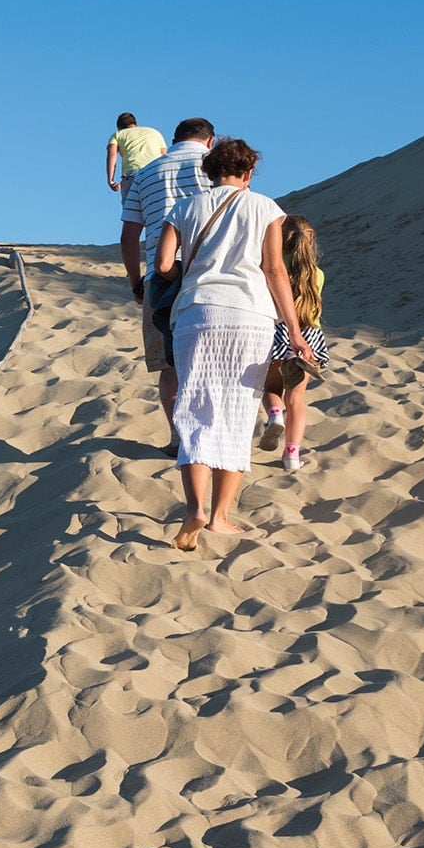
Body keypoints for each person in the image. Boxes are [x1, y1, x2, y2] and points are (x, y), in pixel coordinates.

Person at [154, 138, 313, 551]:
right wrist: (295, 332)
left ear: (210, 172)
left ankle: (195, 509)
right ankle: (220, 517)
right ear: (248, 173)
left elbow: (162, 265)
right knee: (238, 415)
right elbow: (275, 269)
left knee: (195, 409)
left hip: (196, 315)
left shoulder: (185, 208)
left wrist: (190, 277)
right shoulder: (265, 208)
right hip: (250, 317)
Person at [120, 117, 216, 453]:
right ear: (211, 141)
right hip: (207, 272)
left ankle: (179, 438)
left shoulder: (145, 174)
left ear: (173, 140)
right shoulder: (216, 170)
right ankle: (209, 435)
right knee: (209, 360)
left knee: (169, 363)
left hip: (159, 277)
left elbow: (129, 235)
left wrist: (136, 282)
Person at [259, 215, 331, 471]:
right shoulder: (317, 274)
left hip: (277, 332)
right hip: (309, 337)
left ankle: (274, 415)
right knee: (297, 399)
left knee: (270, 388)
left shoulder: (271, 269)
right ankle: (291, 453)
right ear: (311, 242)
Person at [106, 113, 167, 210]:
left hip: (133, 174)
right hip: (156, 173)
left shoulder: (118, 135)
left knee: (131, 215)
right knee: (157, 212)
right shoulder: (154, 132)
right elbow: (165, 155)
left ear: (119, 127)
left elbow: (112, 154)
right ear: (135, 124)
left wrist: (110, 180)